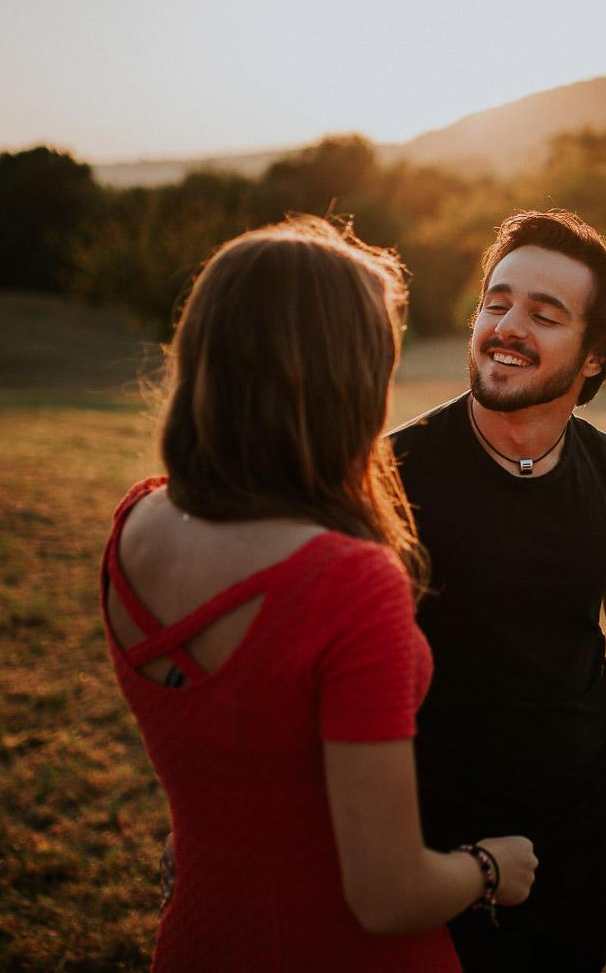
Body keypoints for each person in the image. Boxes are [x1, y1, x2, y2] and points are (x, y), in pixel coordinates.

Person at [101, 216, 536, 971]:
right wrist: (492, 869)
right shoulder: (343, 580)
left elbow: (230, 745)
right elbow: (387, 892)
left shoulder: (137, 522)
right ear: (347, 380)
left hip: (201, 936)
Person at [390, 209, 606, 973]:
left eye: (544, 314)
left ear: (593, 357)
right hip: (423, 845)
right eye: (496, 301)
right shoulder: (388, 476)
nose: (506, 326)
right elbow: (305, 676)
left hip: (576, 849)